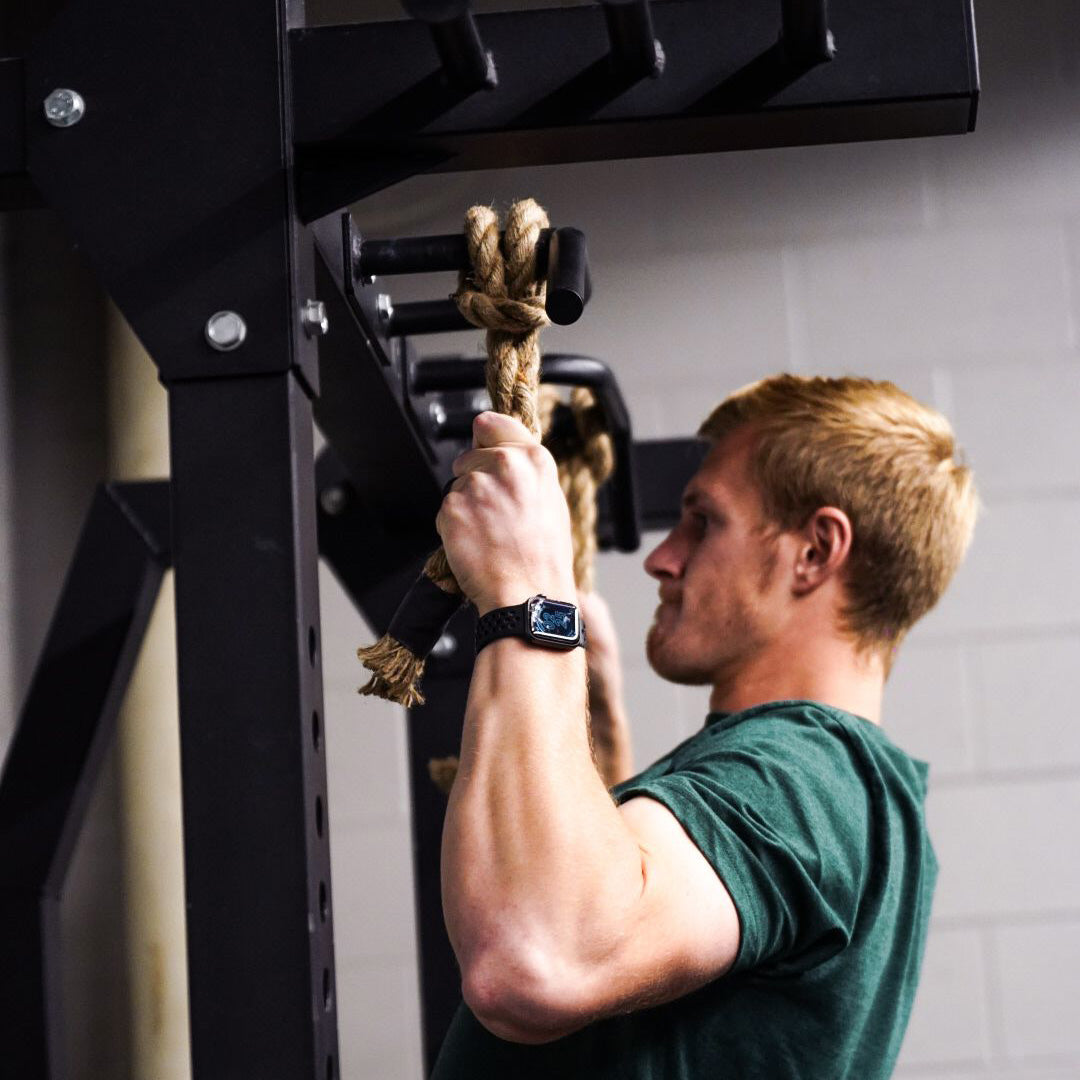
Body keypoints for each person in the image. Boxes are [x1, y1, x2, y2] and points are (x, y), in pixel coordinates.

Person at [430, 374, 977, 1079]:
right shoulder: (855, 794)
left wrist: (530, 595)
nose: (663, 558)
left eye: (704, 521)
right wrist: (597, 731)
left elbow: (535, 960)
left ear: (814, 552)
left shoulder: (800, 775)